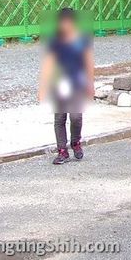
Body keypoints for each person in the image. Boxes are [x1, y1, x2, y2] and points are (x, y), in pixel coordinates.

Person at [38, 8, 94, 165]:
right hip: (59, 83)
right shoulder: (55, 41)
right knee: (60, 117)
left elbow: (88, 61)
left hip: (77, 82)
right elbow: (48, 64)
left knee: (76, 117)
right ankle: (62, 151)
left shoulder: (82, 39)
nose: (65, 25)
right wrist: (43, 86)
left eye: (68, 22)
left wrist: (90, 83)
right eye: (62, 22)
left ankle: (76, 141)